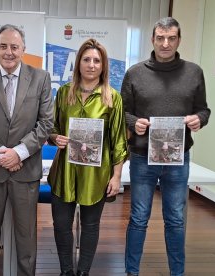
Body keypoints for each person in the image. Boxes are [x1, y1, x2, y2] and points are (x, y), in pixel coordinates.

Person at [122, 17, 211, 276]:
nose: (165, 43)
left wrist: (199, 120)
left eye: (171, 38)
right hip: (141, 158)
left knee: (175, 220)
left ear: (178, 40)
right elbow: (122, 112)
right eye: (160, 37)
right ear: (152, 39)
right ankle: (131, 272)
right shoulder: (135, 73)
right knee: (138, 219)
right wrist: (133, 122)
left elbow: (203, 110)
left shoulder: (194, 72)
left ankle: (177, 273)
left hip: (178, 158)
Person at [0, 24, 53, 276]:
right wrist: (2, 153)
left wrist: (19, 153)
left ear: (23, 49)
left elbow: (46, 123)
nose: (9, 52)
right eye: (3, 46)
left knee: (26, 233)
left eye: (14, 47)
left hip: (25, 169)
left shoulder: (41, 78)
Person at [47, 38, 128, 276]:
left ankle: (83, 272)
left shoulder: (112, 97)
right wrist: (55, 138)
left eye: (96, 60)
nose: (91, 65)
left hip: (97, 174)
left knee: (91, 226)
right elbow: (51, 127)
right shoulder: (63, 93)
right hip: (65, 170)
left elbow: (119, 141)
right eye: (86, 59)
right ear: (78, 63)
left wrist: (116, 176)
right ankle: (66, 271)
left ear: (103, 65)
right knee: (61, 225)